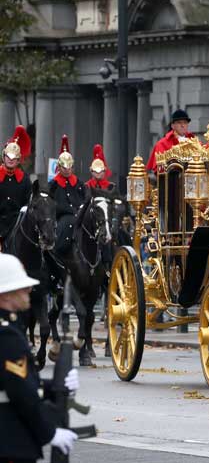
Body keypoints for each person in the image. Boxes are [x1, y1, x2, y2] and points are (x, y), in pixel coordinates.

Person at [0, 253, 80, 462]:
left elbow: (20, 381)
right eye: (20, 286)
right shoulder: (6, 333)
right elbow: (20, 391)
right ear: (5, 295)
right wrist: (50, 432)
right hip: (9, 441)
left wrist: (55, 385)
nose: (29, 289)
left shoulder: (10, 327)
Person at [48, 135, 87, 255]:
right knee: (67, 223)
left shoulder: (79, 183)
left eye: (69, 167)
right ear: (59, 167)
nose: (66, 170)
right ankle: (58, 253)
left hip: (80, 215)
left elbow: (85, 199)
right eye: (64, 167)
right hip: (62, 217)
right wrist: (69, 210)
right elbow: (50, 204)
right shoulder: (53, 184)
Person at [0, 126, 32, 251]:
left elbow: (28, 203)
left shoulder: (24, 179)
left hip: (17, 224)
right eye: (8, 156)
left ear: (19, 160)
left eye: (14, 158)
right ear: (4, 157)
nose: (11, 160)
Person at [145, 109, 195, 175]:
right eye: (179, 122)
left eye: (185, 122)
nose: (183, 125)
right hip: (173, 181)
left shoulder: (194, 141)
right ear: (172, 125)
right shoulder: (162, 143)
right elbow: (159, 170)